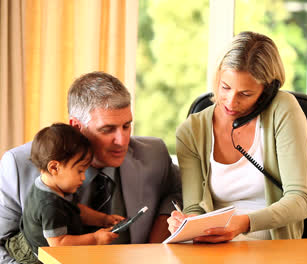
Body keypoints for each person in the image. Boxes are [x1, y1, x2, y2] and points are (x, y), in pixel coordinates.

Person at [0, 71, 181, 263]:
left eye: (126, 126)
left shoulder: (155, 155)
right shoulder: (18, 166)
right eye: (107, 129)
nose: (122, 140)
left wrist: (160, 232)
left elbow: (178, 192)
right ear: (76, 127)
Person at [168, 31, 307, 242]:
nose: (230, 102)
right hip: (216, 249)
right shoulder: (191, 131)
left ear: (267, 91)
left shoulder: (284, 110)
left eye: (245, 94)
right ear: (218, 77)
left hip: (274, 250)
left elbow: (301, 199)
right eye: (225, 87)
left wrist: (243, 223)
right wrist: (188, 223)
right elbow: (194, 207)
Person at [5, 123, 124, 264]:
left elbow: (77, 210)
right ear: (54, 167)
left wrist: (104, 219)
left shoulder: (52, 186)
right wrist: (95, 239)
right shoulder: (49, 205)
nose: (84, 177)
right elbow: (59, 244)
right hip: (36, 257)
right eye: (80, 171)